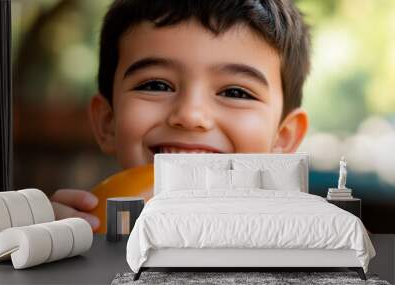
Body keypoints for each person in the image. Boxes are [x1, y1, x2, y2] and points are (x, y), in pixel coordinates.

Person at [50, 0, 311, 231]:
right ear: (108, 122)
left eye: (235, 92)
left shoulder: (297, 246)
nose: (190, 115)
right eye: (156, 86)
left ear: (283, 138)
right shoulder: (85, 232)